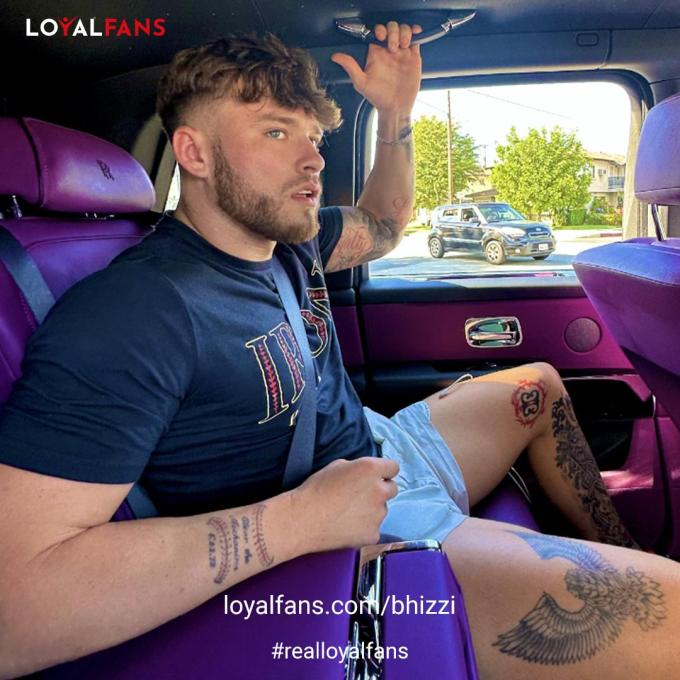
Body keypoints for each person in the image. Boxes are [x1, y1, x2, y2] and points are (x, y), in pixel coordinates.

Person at [0, 21, 678, 680]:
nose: (314, 159)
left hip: (379, 449)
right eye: (275, 132)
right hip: (334, 523)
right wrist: (293, 524)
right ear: (194, 154)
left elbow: (385, 221)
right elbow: (16, 611)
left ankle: (624, 549)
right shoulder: (136, 312)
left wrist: (395, 117)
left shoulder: (292, 242)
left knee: (539, 385)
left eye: (314, 136)